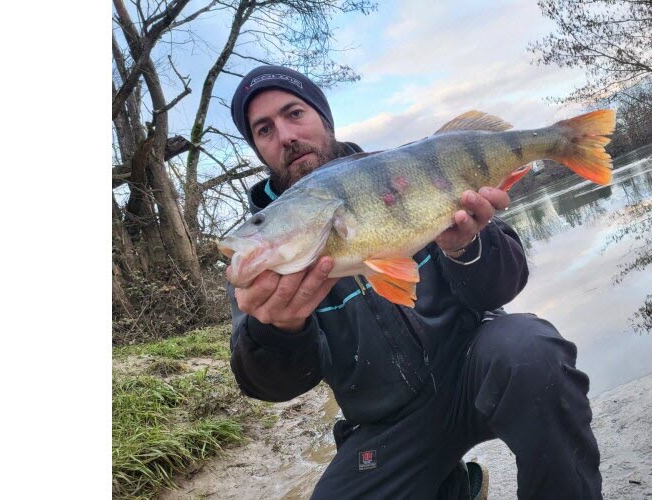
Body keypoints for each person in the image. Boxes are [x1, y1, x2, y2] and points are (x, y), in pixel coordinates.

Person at [227, 65, 601, 499]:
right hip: (387, 426)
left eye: (294, 114)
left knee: (532, 351)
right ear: (258, 149)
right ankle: (456, 490)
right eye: (264, 129)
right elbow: (272, 385)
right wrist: (279, 332)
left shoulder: (402, 175)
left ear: (323, 120)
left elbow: (505, 284)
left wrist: (465, 249)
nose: (285, 135)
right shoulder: (263, 260)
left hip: (475, 370)